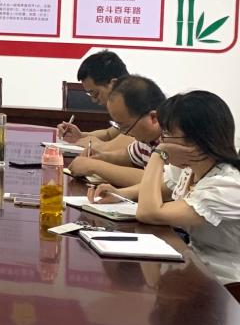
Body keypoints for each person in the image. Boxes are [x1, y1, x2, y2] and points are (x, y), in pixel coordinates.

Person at [89, 90, 240, 289]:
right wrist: (121, 194)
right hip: (194, 264)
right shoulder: (190, 168)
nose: (162, 141)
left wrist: (159, 154)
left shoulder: (226, 185)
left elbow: (148, 213)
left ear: (196, 140)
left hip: (226, 283)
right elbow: (160, 186)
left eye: (167, 134)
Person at [68, 75, 165, 187]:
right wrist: (102, 157)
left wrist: (94, 166)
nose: (125, 134)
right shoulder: (147, 139)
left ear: (153, 118)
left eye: (126, 127)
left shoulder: (172, 137)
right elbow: (128, 156)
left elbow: (162, 181)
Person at [58, 50, 132, 149]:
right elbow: (109, 134)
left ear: (114, 84)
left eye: (96, 93)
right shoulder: (125, 106)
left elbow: (128, 145)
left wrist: (95, 145)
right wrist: (80, 136)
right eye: (90, 94)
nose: (94, 100)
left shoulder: (139, 105)